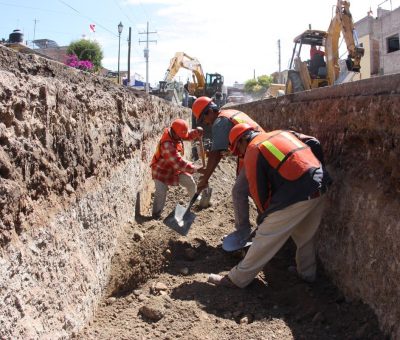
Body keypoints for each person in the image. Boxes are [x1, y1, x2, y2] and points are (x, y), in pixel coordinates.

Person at [208, 123, 332, 288]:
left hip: (298, 192)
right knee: (305, 235)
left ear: (242, 140)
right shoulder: (281, 133)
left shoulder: (253, 149)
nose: (242, 154)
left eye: (239, 150)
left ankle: (236, 279)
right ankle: (307, 275)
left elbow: (258, 191)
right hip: (320, 185)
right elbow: (313, 142)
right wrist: (317, 171)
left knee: (264, 238)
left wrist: (264, 218)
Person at [191, 96, 264, 251]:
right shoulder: (230, 113)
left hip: (257, 154)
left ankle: (243, 233)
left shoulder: (220, 122)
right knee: (252, 191)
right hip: (259, 151)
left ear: (210, 111)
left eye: (204, 119)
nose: (206, 123)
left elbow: (215, 154)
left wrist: (204, 179)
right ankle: (261, 230)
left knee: (239, 191)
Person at [150, 118, 203, 219]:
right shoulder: (167, 145)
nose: (181, 139)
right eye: (179, 136)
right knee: (161, 192)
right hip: (161, 170)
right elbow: (179, 164)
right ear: (174, 132)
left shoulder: (175, 134)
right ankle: (155, 216)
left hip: (173, 168)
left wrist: (197, 132)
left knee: (189, 181)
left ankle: (196, 203)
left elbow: (187, 135)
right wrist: (196, 169)